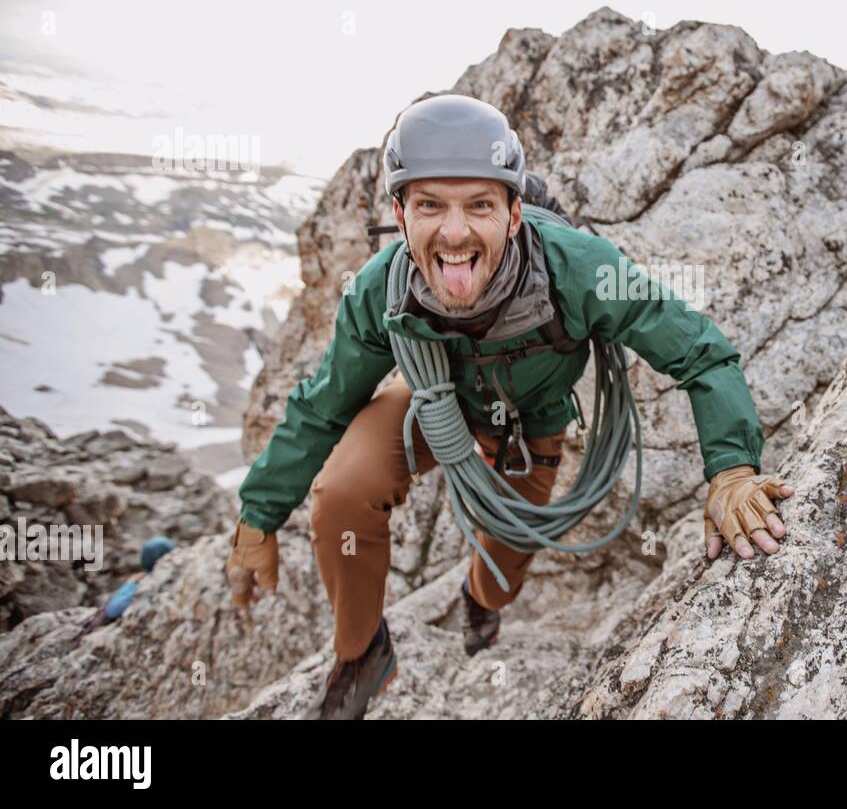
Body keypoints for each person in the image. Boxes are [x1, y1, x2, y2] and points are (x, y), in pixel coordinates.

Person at [225, 93, 796, 719]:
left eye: (479, 205)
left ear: (515, 211)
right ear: (400, 212)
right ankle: (361, 655)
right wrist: (257, 518)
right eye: (429, 206)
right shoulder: (379, 293)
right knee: (343, 490)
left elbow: (703, 353)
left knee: (502, 570)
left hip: (530, 425)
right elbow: (321, 407)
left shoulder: (580, 271)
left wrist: (733, 470)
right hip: (426, 397)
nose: (455, 231)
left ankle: (481, 602)